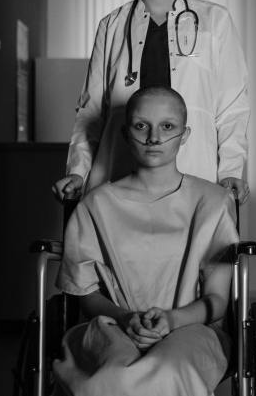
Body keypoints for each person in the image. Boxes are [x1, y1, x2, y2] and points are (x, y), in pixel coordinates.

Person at [52, 0, 250, 203]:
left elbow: (232, 107)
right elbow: (91, 112)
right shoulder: (112, 26)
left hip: (193, 179)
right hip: (119, 181)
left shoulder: (214, 22)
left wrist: (231, 170)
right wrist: (78, 171)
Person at [53, 86, 239, 396]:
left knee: (169, 372)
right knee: (113, 377)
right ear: (126, 134)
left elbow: (217, 301)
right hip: (112, 325)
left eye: (167, 126)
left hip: (192, 328)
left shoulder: (214, 203)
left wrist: (171, 319)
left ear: (185, 134)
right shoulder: (95, 205)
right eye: (142, 126)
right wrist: (126, 318)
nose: (154, 138)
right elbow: (85, 294)